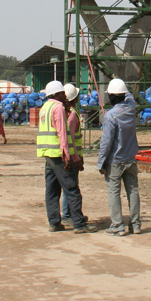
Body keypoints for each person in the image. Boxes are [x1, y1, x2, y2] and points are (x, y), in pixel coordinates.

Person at [37, 80, 97, 234]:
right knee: (71, 189)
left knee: (52, 190)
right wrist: (69, 156)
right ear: (56, 94)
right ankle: (78, 223)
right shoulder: (57, 108)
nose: (65, 95)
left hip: (47, 154)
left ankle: (54, 222)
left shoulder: (44, 107)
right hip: (59, 154)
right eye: (62, 93)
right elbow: (62, 133)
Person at [97, 78, 141, 236]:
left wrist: (101, 162)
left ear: (112, 97)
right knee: (133, 191)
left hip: (115, 161)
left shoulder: (110, 116)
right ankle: (135, 224)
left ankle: (118, 225)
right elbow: (128, 96)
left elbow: (106, 142)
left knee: (114, 192)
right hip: (130, 158)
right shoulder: (131, 108)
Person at [60, 83, 86, 227]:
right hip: (71, 156)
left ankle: (69, 214)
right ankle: (68, 215)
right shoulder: (72, 115)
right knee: (71, 187)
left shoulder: (65, 112)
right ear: (74, 98)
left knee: (68, 186)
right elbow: (70, 139)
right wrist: (75, 158)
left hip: (68, 155)